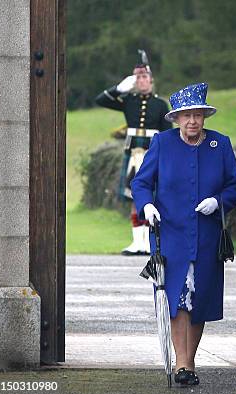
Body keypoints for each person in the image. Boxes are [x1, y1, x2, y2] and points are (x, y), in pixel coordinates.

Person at [132, 82, 236, 385]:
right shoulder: (162, 143)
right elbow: (141, 183)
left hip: (207, 237)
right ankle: (183, 364)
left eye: (197, 115)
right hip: (171, 235)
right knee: (177, 297)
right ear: (177, 119)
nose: (192, 121)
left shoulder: (219, 145)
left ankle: (188, 361)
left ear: (204, 116)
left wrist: (218, 202)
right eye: (186, 116)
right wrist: (146, 207)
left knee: (200, 300)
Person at [95, 58, 172, 256]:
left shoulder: (160, 105)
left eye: (144, 76)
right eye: (137, 77)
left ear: (151, 80)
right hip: (132, 153)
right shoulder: (128, 101)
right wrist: (119, 89)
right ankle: (137, 242)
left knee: (151, 196)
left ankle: (148, 242)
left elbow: (167, 135)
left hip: (151, 154)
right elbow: (101, 100)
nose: (141, 81)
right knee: (132, 197)